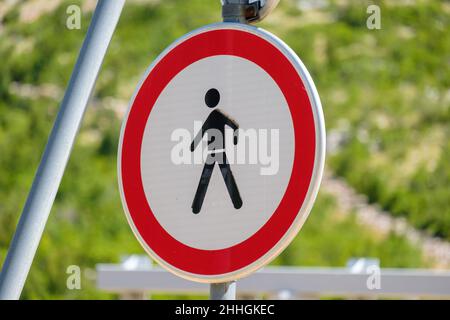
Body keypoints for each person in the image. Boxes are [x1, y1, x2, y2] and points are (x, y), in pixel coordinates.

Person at [190, 88, 243, 214]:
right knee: (219, 177)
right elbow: (234, 126)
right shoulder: (216, 115)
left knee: (209, 178)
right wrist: (193, 146)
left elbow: (202, 132)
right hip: (214, 153)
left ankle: (197, 208)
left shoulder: (216, 115)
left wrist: (193, 146)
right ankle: (236, 203)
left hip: (217, 153)